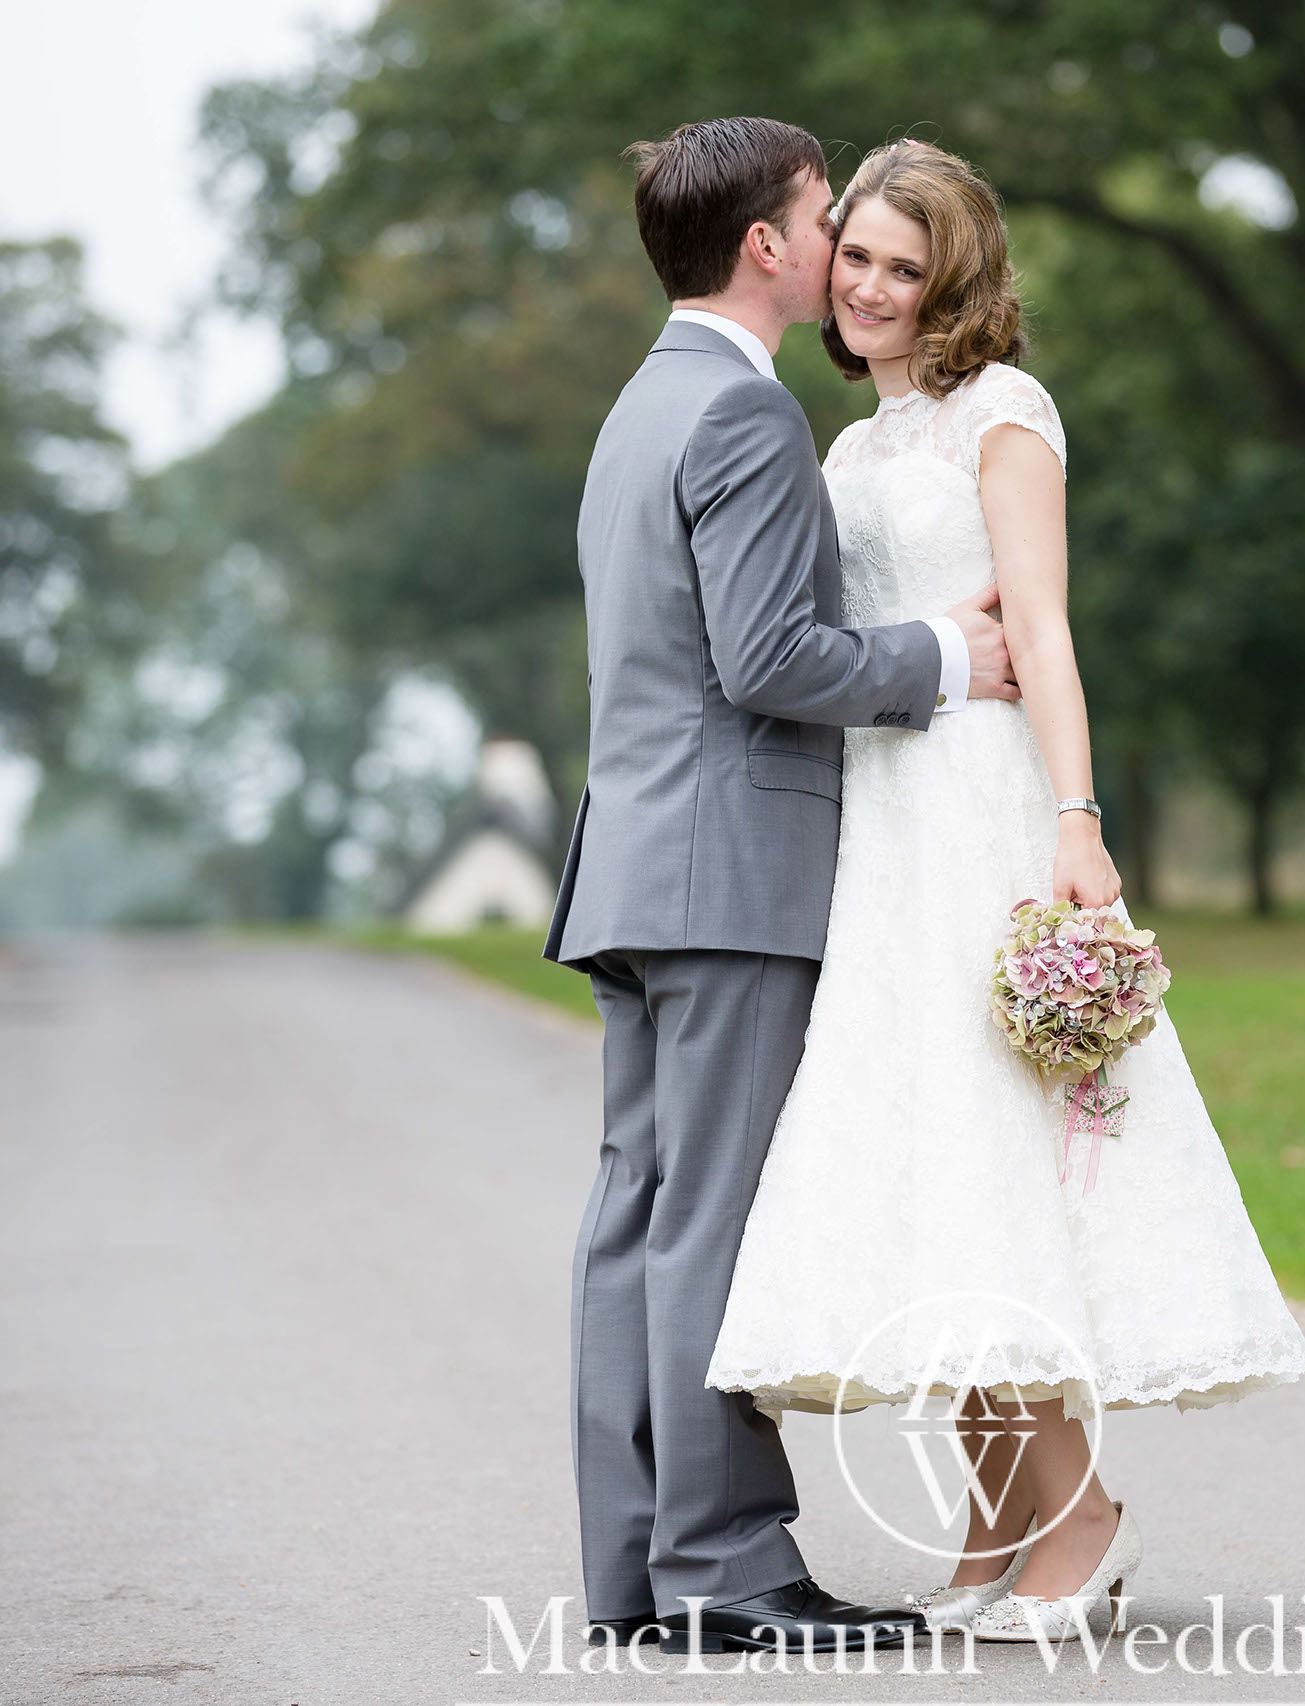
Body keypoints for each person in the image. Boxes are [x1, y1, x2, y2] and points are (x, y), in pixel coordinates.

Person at [704, 139, 1305, 1645]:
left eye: (907, 269)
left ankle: (1081, 1509)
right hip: (883, 818)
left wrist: (1077, 821)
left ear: (956, 281)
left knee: (993, 1131)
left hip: (980, 803)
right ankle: (997, 1514)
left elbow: (1041, 627)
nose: (870, 287)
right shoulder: (847, 451)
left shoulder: (1004, 414)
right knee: (931, 1153)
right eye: (856, 255)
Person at [540, 116, 1023, 1656]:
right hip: (729, 873)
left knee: (637, 1218)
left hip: (634, 866)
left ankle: (637, 1572)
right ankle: (729, 1568)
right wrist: (953, 657)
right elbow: (765, 660)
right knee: (711, 1227)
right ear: (768, 245)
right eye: (827, 219)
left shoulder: (642, 404)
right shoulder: (743, 419)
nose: (841, 245)